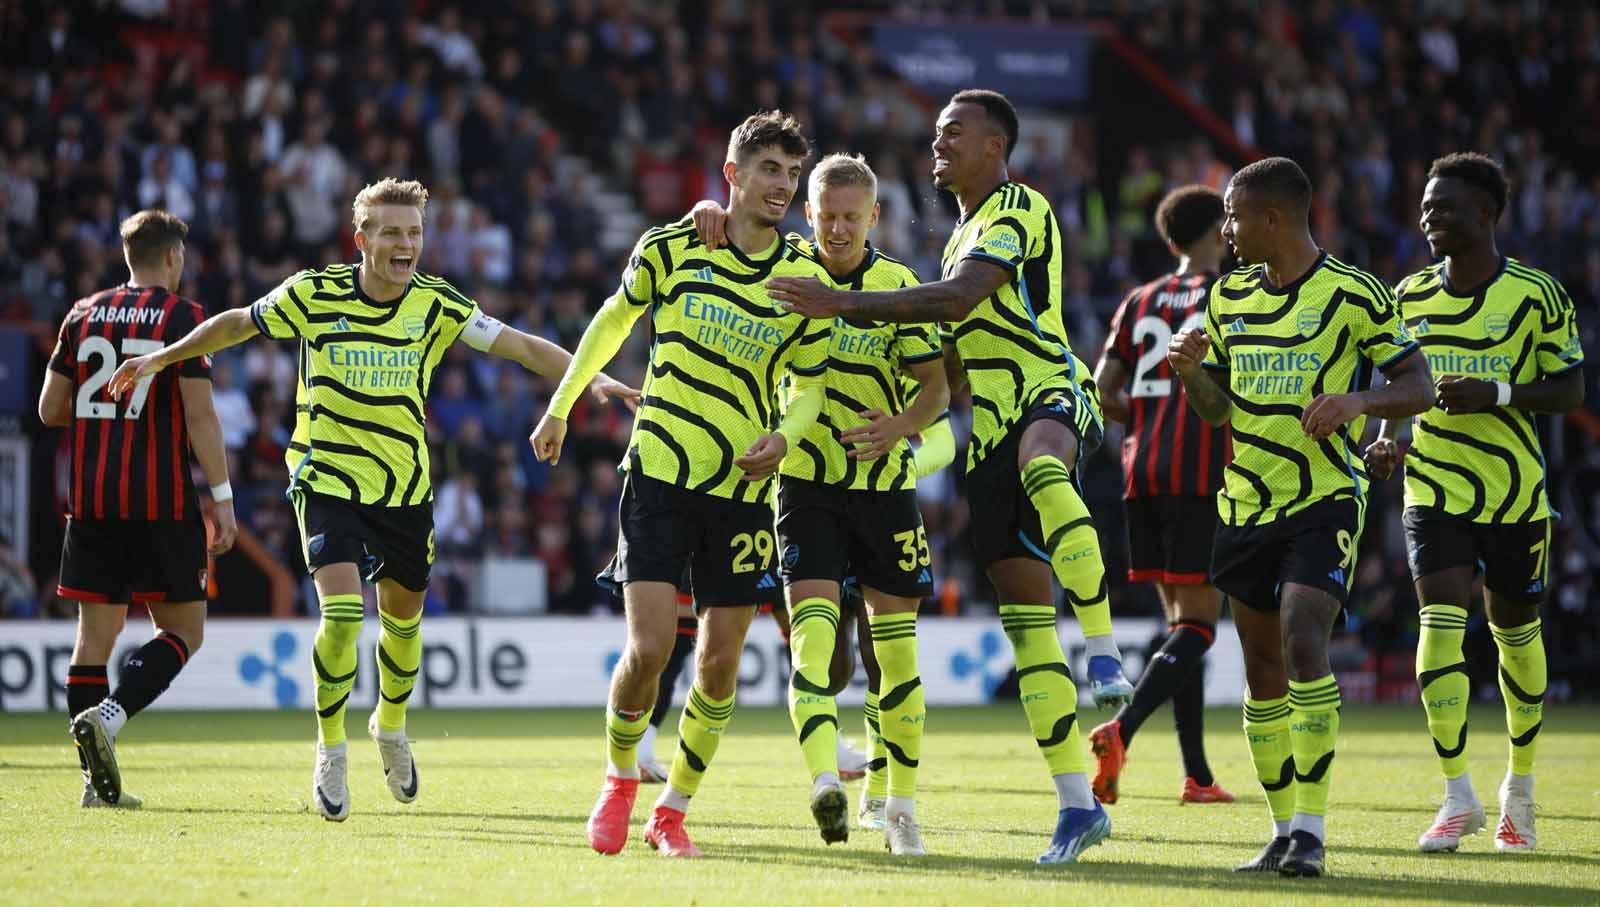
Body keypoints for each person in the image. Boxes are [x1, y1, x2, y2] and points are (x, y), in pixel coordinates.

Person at [108, 178, 637, 822]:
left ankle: (389, 727)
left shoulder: (438, 304)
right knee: (340, 615)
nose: (404, 244)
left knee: (404, 624)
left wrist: (596, 378)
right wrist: (164, 356)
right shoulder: (314, 292)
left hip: (405, 490)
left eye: (413, 233)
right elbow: (236, 325)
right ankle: (330, 749)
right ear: (362, 239)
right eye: (390, 232)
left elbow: (524, 347)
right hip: (327, 480)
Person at [767, 88, 1121, 865]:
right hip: (981, 435)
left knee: (1044, 465)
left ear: (996, 145)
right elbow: (945, 358)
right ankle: (1076, 803)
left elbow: (957, 307)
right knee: (1027, 626)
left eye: (953, 132)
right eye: (935, 133)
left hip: (1046, 395)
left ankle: (1103, 647)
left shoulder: (1018, 209)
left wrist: (845, 309)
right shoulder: (957, 236)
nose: (938, 143)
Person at [530, 111, 834, 859]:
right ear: (731, 175)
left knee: (723, 662)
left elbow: (812, 386)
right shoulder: (671, 247)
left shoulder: (804, 277)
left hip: (742, 490)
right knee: (650, 648)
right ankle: (618, 776)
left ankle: (672, 810)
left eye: (792, 174)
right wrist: (561, 404)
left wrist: (786, 435)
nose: (782, 186)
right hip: (660, 473)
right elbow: (611, 322)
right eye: (769, 169)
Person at [1167, 157, 1433, 877]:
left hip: (1323, 496)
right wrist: (1192, 373)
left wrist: (1358, 402)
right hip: (1245, 501)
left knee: (1303, 638)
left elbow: (1420, 383)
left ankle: (1312, 830)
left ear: (1274, 218)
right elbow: (1218, 410)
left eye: (1233, 214)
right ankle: (1283, 830)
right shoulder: (1226, 299)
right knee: (1260, 667)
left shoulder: (1354, 293)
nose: (1225, 228)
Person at [690, 152, 951, 854]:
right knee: (813, 644)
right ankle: (823, 784)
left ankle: (899, 807)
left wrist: (898, 428)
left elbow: (936, 388)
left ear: (874, 216)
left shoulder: (899, 286)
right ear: (808, 214)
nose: (837, 228)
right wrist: (708, 214)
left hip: (886, 490)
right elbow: (723, 236)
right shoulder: (783, 276)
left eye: (851, 216)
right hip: (805, 487)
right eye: (826, 215)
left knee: (893, 660)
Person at [1365, 152, 1585, 854]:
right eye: (1427, 206)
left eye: (1446, 207)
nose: (1431, 217)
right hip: (1433, 486)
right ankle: (1456, 794)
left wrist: (1500, 394)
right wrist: (1386, 437)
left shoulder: (1537, 294)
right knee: (1440, 617)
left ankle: (1518, 789)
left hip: (1516, 492)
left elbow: (1572, 390)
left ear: (1487, 214)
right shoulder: (1408, 296)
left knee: (1515, 633)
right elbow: (1400, 387)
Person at [38, 209, 238, 809]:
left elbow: (51, 408)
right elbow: (200, 415)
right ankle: (113, 715)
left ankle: (91, 787)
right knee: (182, 630)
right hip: (161, 502)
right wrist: (223, 501)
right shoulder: (182, 317)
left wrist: (108, 419)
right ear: (173, 257)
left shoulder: (82, 313)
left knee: (91, 642)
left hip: (92, 501)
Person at [1089, 185, 1236, 806]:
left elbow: (1103, 389)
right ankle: (1119, 731)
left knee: (1180, 625)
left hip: (1141, 474)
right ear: (1214, 233)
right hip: (1201, 474)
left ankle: (1197, 776)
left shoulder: (1138, 299)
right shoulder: (1227, 296)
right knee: (1201, 623)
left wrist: (1144, 417)